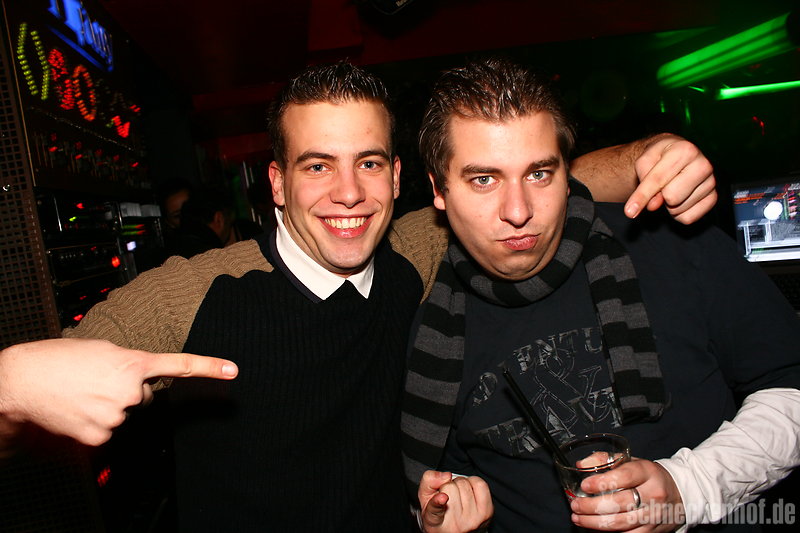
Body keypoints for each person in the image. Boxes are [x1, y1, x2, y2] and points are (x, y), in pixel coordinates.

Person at [0, 61, 718, 532]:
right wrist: (11, 388)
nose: (348, 194)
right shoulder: (190, 294)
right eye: (318, 166)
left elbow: (541, 180)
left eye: (368, 163)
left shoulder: (415, 250)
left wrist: (654, 155)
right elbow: (44, 394)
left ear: (398, 176)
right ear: (277, 183)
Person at [397, 58, 800, 532]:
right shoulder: (432, 339)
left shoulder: (672, 245)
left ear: (567, 172)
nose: (518, 211)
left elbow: (791, 387)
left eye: (539, 174)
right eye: (484, 179)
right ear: (439, 188)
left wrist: (688, 488)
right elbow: (448, 492)